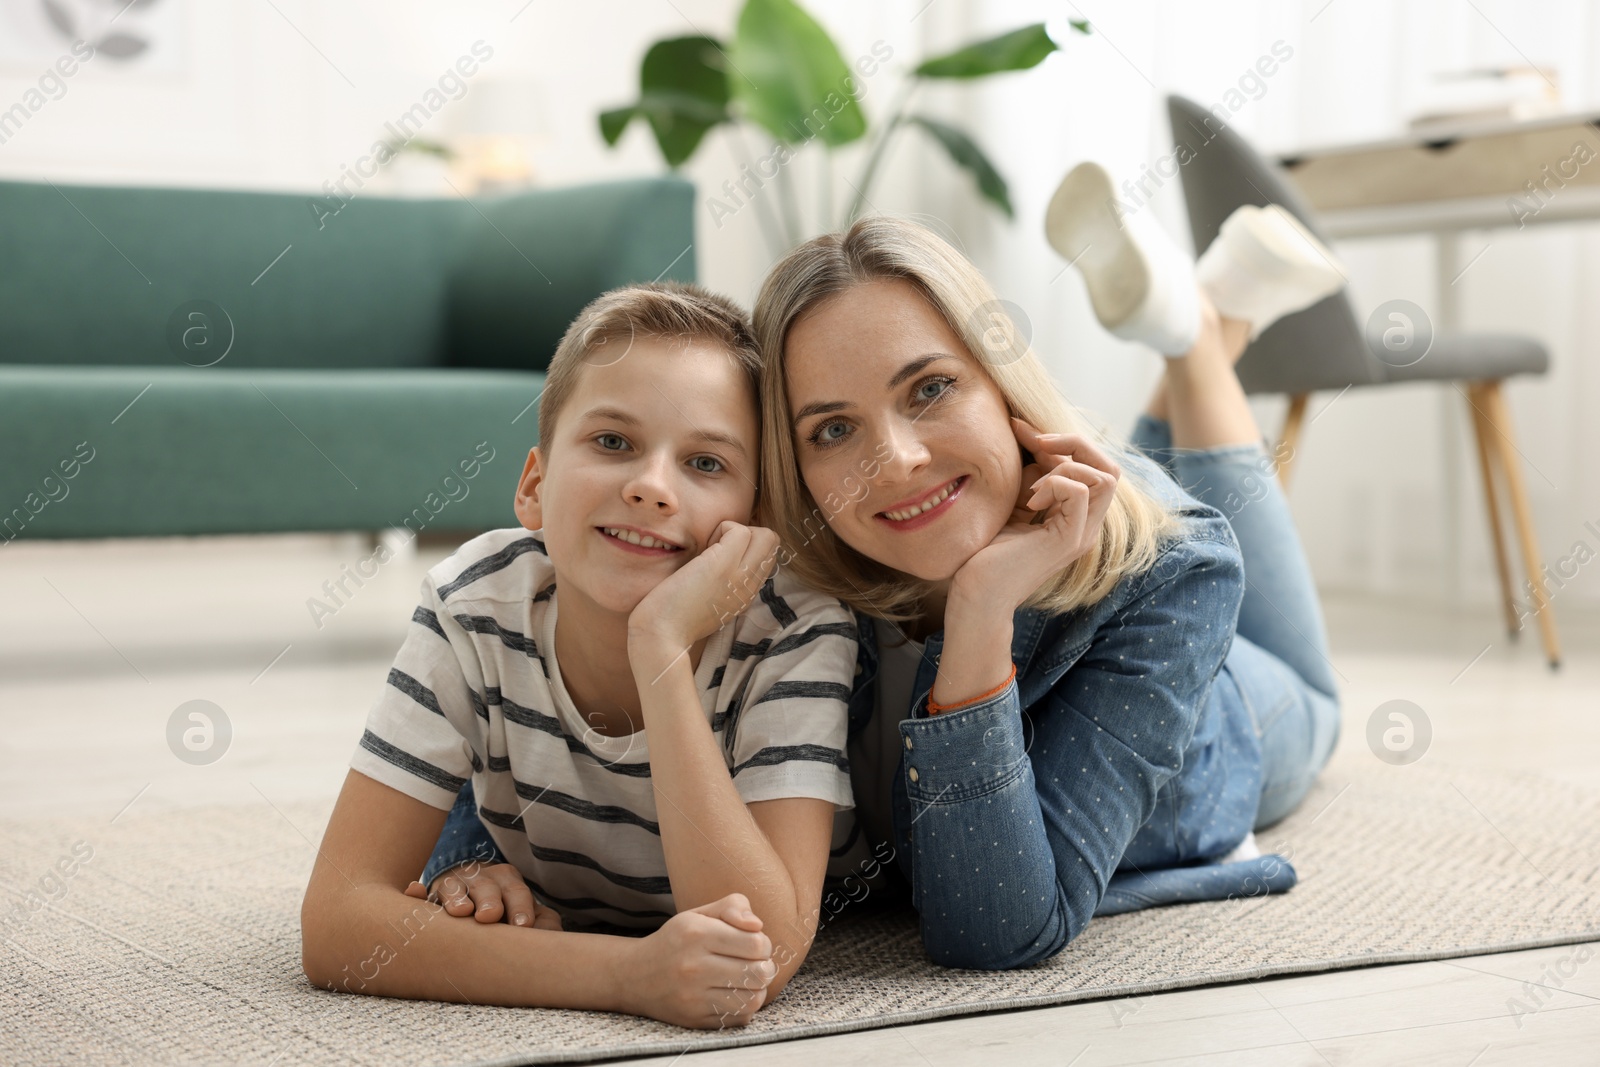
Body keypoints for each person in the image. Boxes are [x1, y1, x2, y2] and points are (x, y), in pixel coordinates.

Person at [417, 160, 1346, 970]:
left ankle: (1193, 332)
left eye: (931, 387)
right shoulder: (783, 570)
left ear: (1000, 378)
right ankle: (1203, 324)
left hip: (1223, 725)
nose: (894, 458)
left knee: (1239, 604)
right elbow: (538, 673)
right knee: (1117, 491)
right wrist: (467, 852)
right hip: (1012, 499)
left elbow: (996, 930)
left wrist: (977, 614)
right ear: (786, 470)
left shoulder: (1174, 581)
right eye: (831, 428)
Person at [298, 282, 859, 1028]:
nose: (652, 487)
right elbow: (336, 922)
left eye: (705, 463)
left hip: (857, 860)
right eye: (614, 442)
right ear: (533, 486)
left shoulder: (798, 630)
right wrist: (629, 974)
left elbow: (765, 947)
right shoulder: (474, 604)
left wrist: (658, 645)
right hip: (544, 840)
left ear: (754, 527)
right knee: (460, 870)